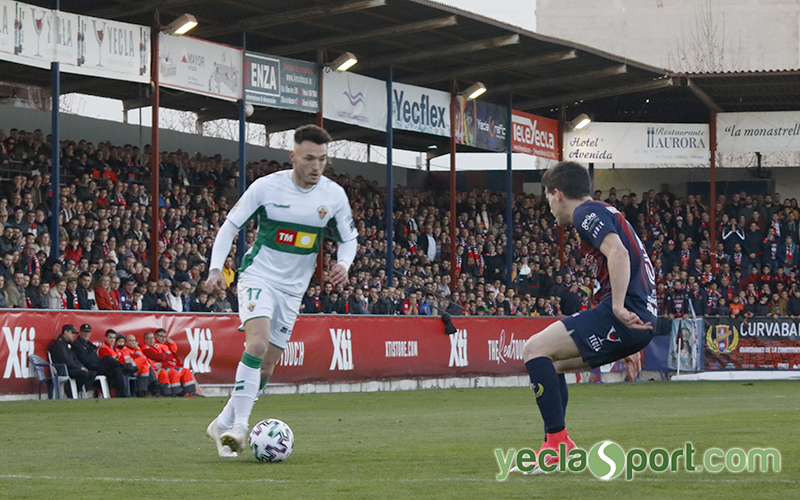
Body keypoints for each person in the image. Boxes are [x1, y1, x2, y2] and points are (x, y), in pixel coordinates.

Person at [204, 125, 357, 458]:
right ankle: (239, 427)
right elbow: (230, 226)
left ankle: (222, 423)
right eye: (309, 158)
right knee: (257, 345)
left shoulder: (333, 195)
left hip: (292, 291)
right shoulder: (267, 187)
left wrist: (344, 264)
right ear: (293, 156)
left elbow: (349, 238)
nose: (317, 166)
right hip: (258, 276)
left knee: (267, 368)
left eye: (323, 159)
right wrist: (216, 269)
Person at [514, 162, 656, 475]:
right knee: (550, 365)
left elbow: (618, 253)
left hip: (624, 314)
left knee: (533, 349)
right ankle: (555, 445)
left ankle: (557, 447)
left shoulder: (585, 212)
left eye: (547, 198)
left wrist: (618, 307)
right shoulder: (607, 212)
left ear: (557, 194)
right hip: (639, 319)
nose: (549, 207)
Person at [72, 323, 130, 397]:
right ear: (80, 332)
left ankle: (124, 395)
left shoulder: (89, 345)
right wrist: (99, 362)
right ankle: (125, 368)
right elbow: (84, 359)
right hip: (89, 367)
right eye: (84, 332)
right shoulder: (76, 344)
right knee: (108, 358)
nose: (86, 334)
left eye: (88, 332)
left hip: (97, 365)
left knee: (117, 369)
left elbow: (95, 357)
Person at [48, 324, 96, 396]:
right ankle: (71, 392)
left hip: (72, 368)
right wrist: (79, 368)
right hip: (64, 369)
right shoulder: (58, 344)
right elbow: (65, 360)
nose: (74, 335)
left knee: (92, 373)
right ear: (65, 332)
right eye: (72, 333)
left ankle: (79, 391)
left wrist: (81, 366)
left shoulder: (69, 344)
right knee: (84, 374)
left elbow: (75, 358)